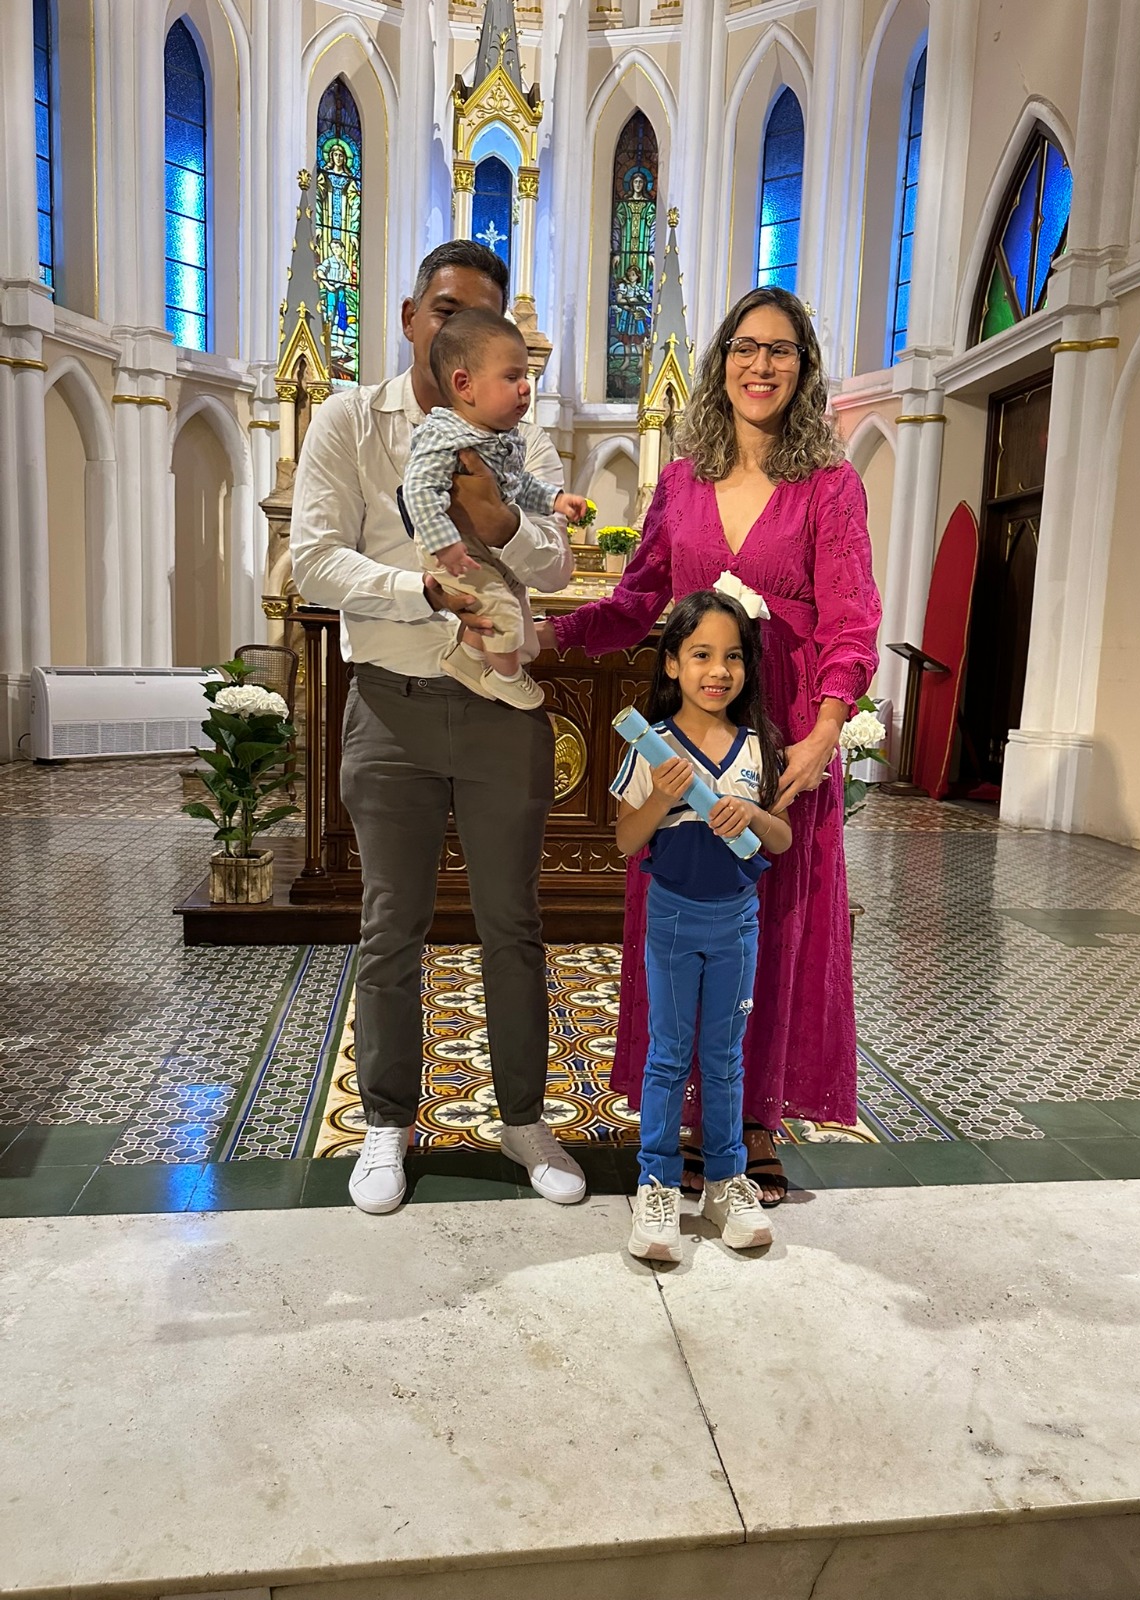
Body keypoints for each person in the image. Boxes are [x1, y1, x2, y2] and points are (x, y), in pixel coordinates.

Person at [539, 286, 882, 1202]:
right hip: (689, 731)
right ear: (720, 361)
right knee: (684, 907)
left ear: (804, 369)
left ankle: (754, 1120)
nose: (760, 366)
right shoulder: (684, 481)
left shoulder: (829, 485)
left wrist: (824, 731)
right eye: (745, 347)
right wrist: (551, 636)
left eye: (781, 350)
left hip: (786, 732)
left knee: (774, 923)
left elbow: (852, 619)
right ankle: (687, 1113)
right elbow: (637, 600)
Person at [291, 240, 586, 1215]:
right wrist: (417, 590)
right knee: (390, 927)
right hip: (390, 708)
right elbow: (314, 560)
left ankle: (523, 1118)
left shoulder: (515, 430)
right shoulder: (349, 421)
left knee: (513, 923)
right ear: (412, 316)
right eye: (448, 309)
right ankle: (387, 1120)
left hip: (500, 714)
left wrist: (501, 524)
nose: (463, 329)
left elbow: (554, 565)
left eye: (485, 316)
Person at [614, 588, 791, 1263]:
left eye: (733, 657)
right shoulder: (653, 746)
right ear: (671, 663)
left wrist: (753, 816)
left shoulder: (758, 747)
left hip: (738, 923)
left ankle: (725, 1180)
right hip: (671, 920)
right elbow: (626, 841)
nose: (718, 670)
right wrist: (662, 799)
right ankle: (657, 1183)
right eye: (701, 655)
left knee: (723, 1057)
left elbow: (782, 839)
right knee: (667, 1054)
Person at [401, 308, 590, 711]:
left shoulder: (501, 437)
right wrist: (446, 544)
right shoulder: (444, 435)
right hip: (449, 548)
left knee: (507, 586)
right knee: (500, 605)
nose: (525, 388)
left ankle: (467, 657)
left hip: (473, 546)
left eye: (526, 376)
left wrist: (555, 500)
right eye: (512, 377)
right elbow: (418, 490)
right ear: (464, 385)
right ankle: (506, 677)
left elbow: (520, 486)